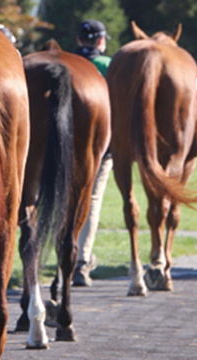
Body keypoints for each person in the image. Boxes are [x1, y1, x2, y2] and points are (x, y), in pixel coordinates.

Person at [73, 19, 112, 287]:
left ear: (79, 41)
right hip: (100, 145)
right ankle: (81, 260)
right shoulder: (110, 66)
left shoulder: (66, 62)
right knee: (93, 198)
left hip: (64, 142)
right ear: (101, 41)